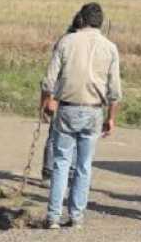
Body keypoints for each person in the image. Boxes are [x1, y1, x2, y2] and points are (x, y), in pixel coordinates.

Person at [40, 2, 122, 229]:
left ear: (81, 19)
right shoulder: (110, 47)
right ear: (101, 22)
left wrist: (47, 103)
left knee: (61, 163)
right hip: (94, 111)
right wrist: (111, 118)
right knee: (84, 166)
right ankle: (76, 216)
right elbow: (115, 91)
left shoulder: (66, 41)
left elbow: (49, 80)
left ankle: (53, 216)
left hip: (66, 108)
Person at [40, 12, 86, 184]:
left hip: (65, 95)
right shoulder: (66, 42)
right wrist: (49, 98)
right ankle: (53, 172)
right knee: (60, 135)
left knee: (59, 135)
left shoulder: (67, 41)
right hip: (63, 94)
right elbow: (53, 75)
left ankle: (55, 172)